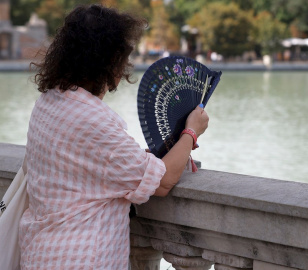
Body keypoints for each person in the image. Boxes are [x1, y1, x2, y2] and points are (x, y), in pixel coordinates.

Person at [19, 4, 209, 269]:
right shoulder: (92, 120)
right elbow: (163, 181)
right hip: (82, 259)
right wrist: (191, 131)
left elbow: (87, 163)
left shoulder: (48, 102)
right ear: (111, 62)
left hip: (41, 253)